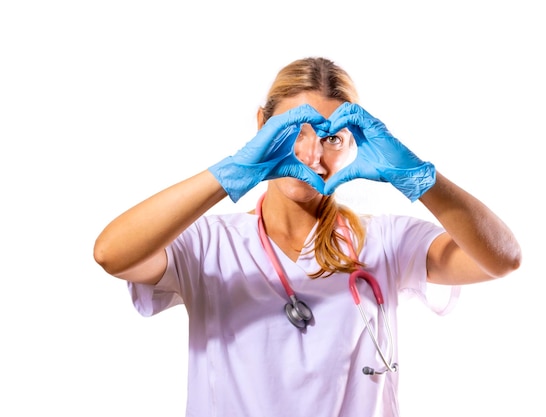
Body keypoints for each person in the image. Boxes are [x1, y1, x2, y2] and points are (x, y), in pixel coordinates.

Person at [93, 56, 521, 417]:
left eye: (332, 137)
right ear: (261, 125)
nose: (312, 154)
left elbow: (502, 259)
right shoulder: (208, 244)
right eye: (294, 132)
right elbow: (111, 254)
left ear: (354, 142)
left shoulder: (386, 241)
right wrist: (228, 174)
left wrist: (419, 179)